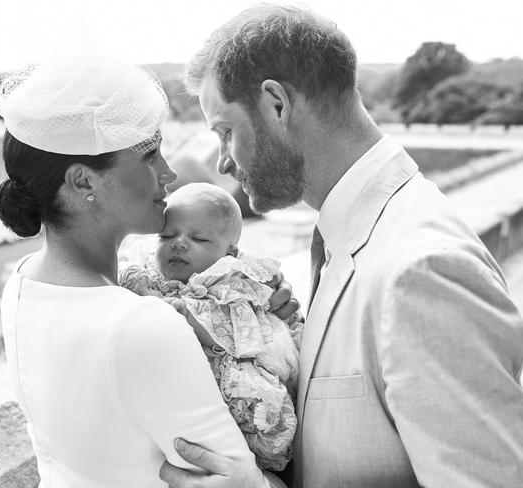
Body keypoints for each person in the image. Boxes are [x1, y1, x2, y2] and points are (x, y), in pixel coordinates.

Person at [159, 4, 523, 488]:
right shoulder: (348, 231)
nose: (222, 162)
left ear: (277, 104)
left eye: (226, 131)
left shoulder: (423, 269)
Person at [0, 57, 296, 487]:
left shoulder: (23, 281)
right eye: (149, 155)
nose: (168, 172)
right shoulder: (140, 322)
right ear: (83, 181)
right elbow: (245, 478)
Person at [120, 182, 303, 471]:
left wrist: (184, 316)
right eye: (167, 234)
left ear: (229, 253)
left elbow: (234, 332)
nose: (178, 243)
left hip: (228, 377)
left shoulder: (230, 282)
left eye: (199, 239)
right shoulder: (144, 271)